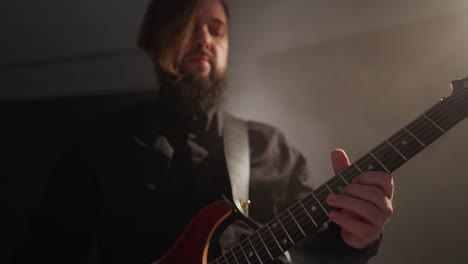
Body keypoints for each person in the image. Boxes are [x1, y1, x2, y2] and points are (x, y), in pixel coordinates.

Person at [20, 0, 394, 263]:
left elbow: (315, 254)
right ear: (156, 42)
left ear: (227, 47)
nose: (203, 39)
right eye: (186, 27)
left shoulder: (272, 147)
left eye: (216, 30)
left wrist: (357, 238)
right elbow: (47, 250)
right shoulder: (102, 143)